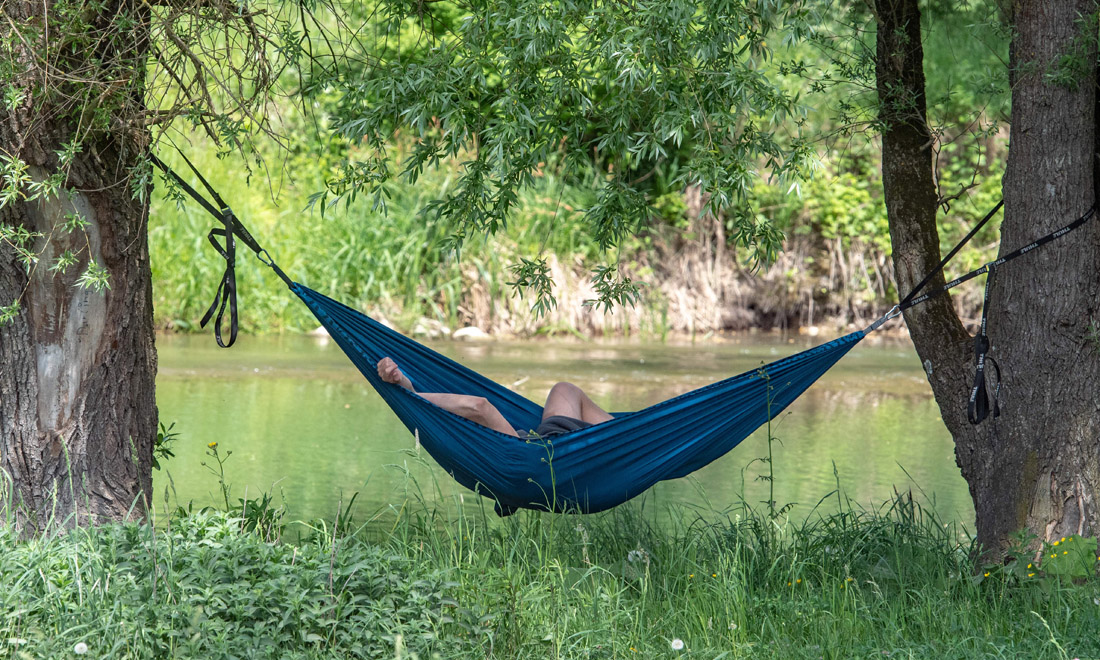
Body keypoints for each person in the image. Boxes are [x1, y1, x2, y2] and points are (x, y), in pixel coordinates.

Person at [377, 357, 614, 438]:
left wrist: (405, 385)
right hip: (544, 454)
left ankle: (633, 433)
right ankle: (630, 436)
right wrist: (411, 394)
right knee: (567, 391)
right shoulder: (512, 455)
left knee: (565, 389)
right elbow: (479, 406)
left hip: (551, 436)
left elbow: (476, 408)